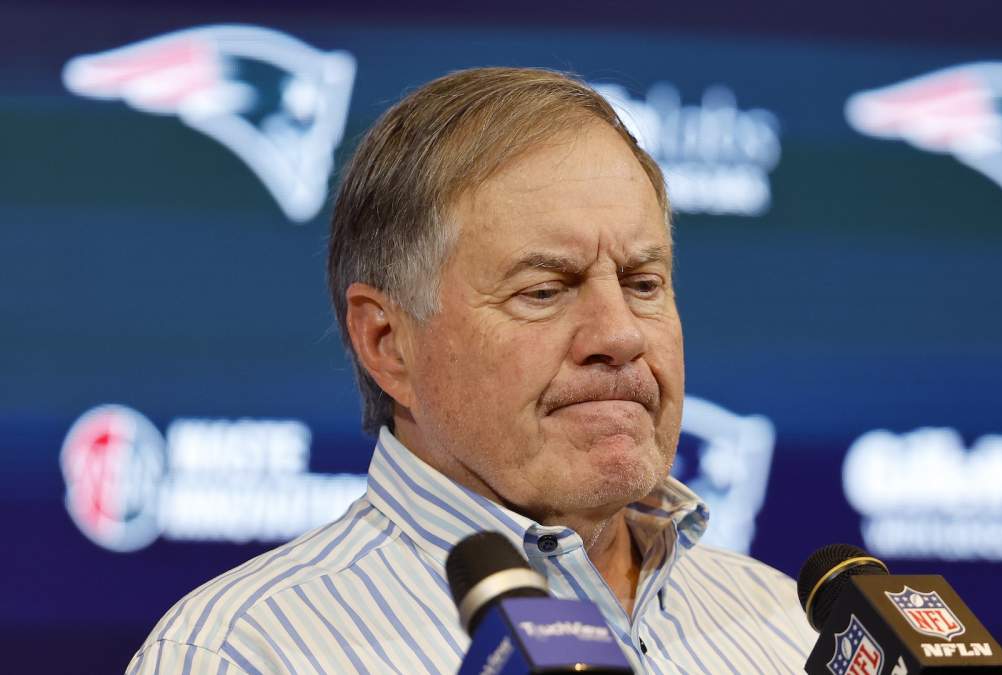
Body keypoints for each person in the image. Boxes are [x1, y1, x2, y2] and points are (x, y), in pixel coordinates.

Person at [128, 67, 816, 674]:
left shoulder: (794, 629)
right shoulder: (244, 654)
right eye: (543, 290)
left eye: (643, 283)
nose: (620, 334)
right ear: (388, 343)